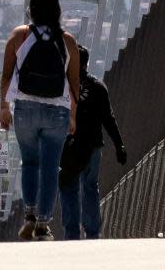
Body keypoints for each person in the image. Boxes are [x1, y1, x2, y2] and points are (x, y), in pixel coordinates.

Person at [0, 0, 79, 241]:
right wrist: (73, 115)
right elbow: (74, 83)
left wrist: (4, 106)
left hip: (25, 109)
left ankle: (30, 213)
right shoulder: (67, 41)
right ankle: (44, 224)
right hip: (57, 110)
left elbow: (7, 75)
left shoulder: (20, 36)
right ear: (57, 11)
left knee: (30, 162)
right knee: (50, 167)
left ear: (31, 10)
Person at [59, 45, 127, 240]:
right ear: (87, 63)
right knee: (90, 187)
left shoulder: (61, 88)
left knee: (69, 187)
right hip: (92, 147)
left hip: (68, 148)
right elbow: (108, 119)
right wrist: (119, 145)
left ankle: (71, 232)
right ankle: (93, 232)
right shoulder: (98, 87)